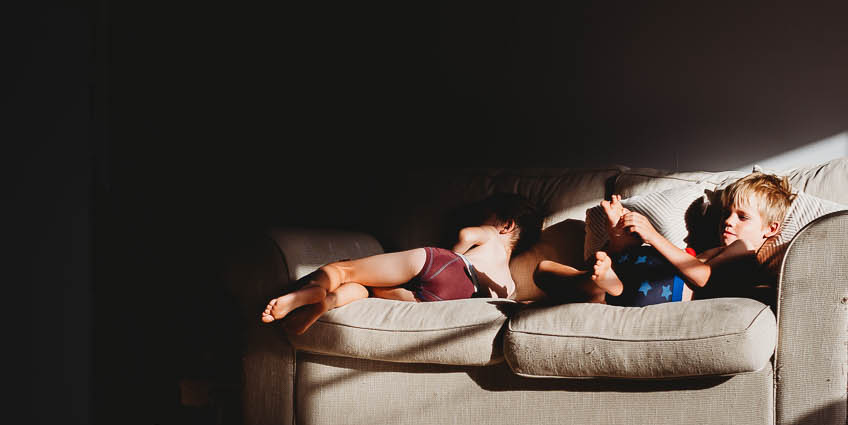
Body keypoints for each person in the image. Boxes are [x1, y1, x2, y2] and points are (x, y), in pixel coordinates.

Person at [259, 193, 553, 334]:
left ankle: (311, 290)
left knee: (344, 269)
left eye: (486, 216)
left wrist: (451, 255)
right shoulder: (510, 282)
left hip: (447, 265)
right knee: (367, 288)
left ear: (506, 225)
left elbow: (467, 234)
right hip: (449, 300)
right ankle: (325, 303)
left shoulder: (490, 234)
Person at [593, 171, 797, 305]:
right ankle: (618, 245)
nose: (728, 221)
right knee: (586, 281)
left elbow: (702, 277)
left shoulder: (745, 246)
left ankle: (615, 270)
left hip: (662, 289)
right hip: (652, 281)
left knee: (587, 284)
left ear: (771, 229)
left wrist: (653, 235)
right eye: (727, 213)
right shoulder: (724, 248)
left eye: (742, 217)